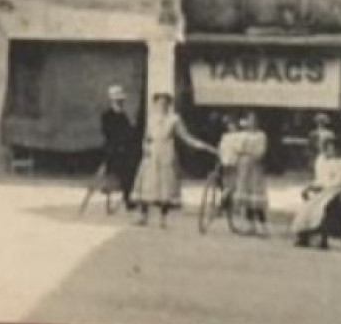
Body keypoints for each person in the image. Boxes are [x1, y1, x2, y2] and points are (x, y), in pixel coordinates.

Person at [131, 92, 217, 228]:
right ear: (155, 104)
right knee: (147, 183)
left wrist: (202, 146)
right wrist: (145, 147)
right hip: (152, 153)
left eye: (165, 103)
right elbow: (147, 137)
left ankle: (162, 218)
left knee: (165, 185)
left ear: (169, 104)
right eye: (159, 103)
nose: (162, 106)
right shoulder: (152, 119)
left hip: (166, 152)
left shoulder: (174, 119)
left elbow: (185, 137)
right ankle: (143, 216)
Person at [292, 135, 341, 249]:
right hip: (325, 192)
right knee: (308, 207)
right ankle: (304, 234)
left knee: (324, 207)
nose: (330, 151)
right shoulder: (325, 163)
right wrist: (309, 188)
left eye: (332, 148)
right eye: (328, 148)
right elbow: (321, 182)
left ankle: (322, 235)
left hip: (339, 192)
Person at [99, 85, 141, 211]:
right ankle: (128, 198)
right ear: (112, 101)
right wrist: (120, 144)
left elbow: (128, 131)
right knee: (125, 170)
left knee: (135, 165)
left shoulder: (123, 115)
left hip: (126, 148)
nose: (120, 102)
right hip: (114, 150)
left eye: (121, 100)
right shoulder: (107, 115)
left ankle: (131, 195)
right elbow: (109, 133)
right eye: (118, 100)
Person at [234, 111, 271, 234]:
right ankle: (250, 224)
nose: (251, 122)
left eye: (253, 120)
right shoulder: (242, 135)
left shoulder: (261, 135)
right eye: (249, 120)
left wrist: (251, 153)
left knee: (256, 196)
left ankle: (263, 225)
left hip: (255, 167)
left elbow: (261, 151)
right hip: (244, 166)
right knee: (246, 196)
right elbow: (238, 148)